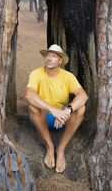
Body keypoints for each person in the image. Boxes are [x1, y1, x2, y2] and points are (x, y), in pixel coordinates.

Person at [25, 44, 88, 173]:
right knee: (33, 105)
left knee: (81, 108)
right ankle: (50, 147)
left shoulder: (68, 76)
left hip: (62, 119)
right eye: (48, 55)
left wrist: (67, 110)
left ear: (60, 60)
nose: (49, 58)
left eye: (53, 56)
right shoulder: (36, 73)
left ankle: (61, 149)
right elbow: (29, 95)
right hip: (41, 117)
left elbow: (83, 95)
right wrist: (53, 110)